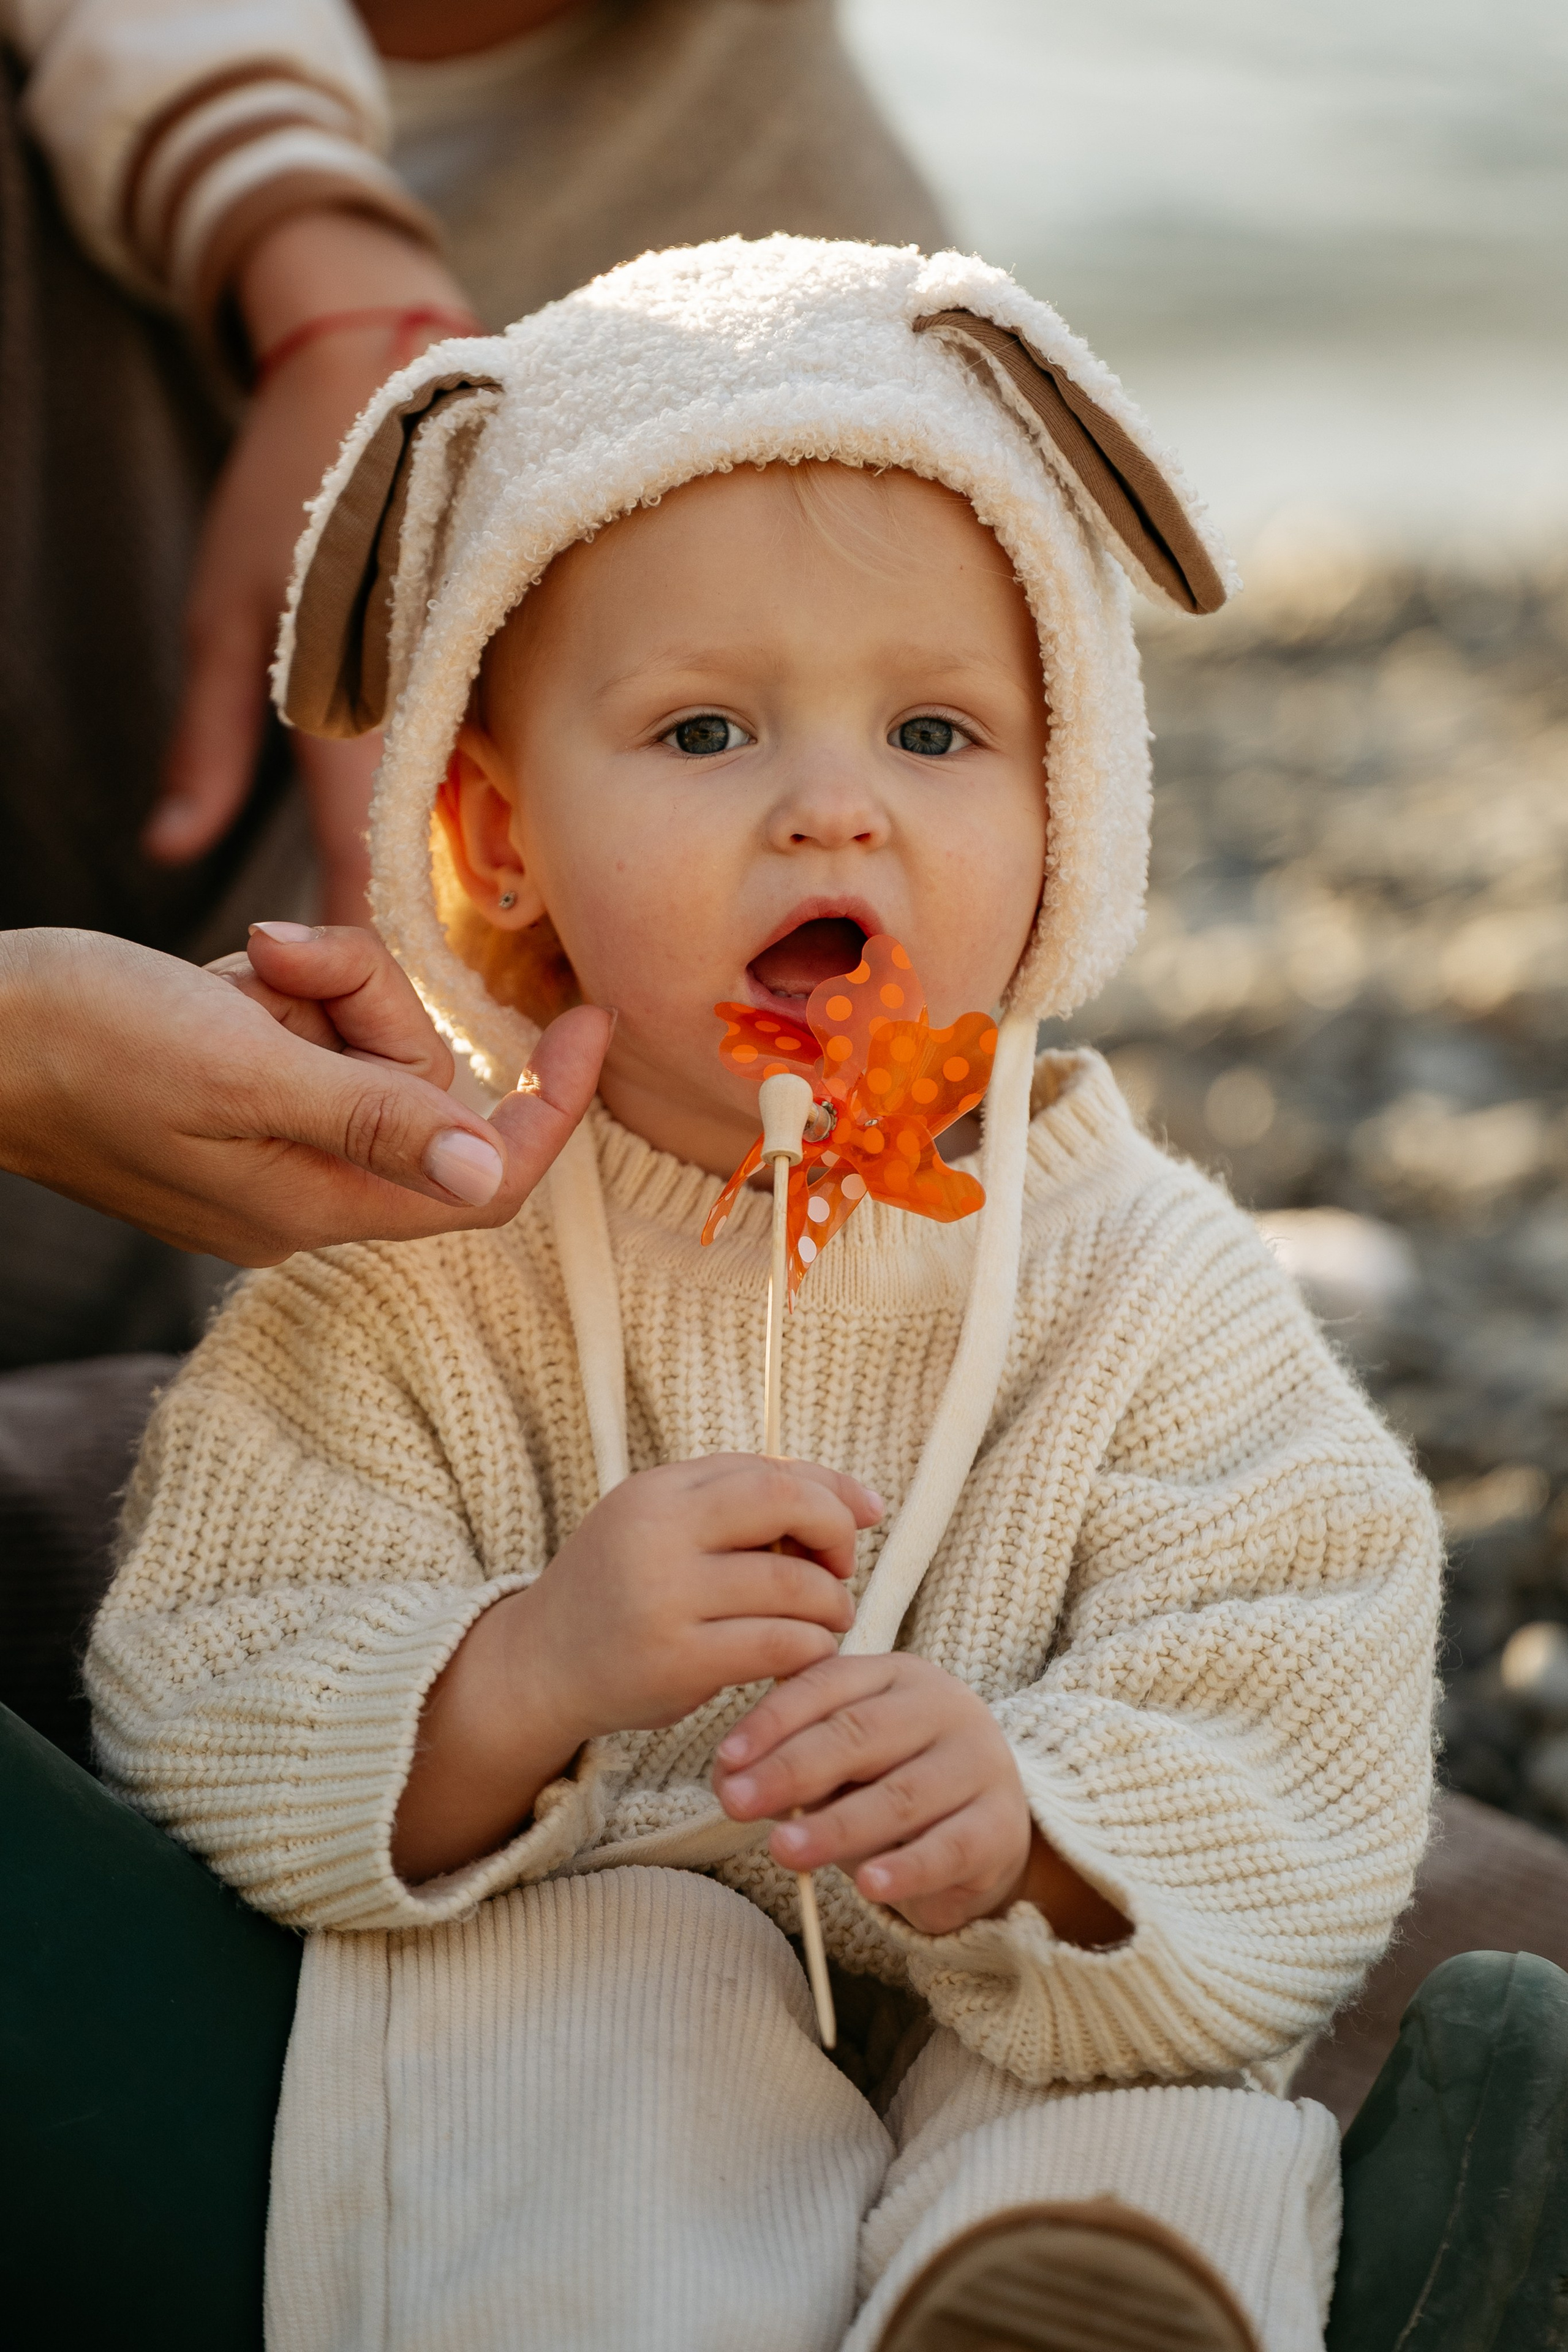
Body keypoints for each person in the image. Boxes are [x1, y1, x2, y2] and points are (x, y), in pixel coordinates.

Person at [65, 235, 1455, 2351]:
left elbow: (1301, 1671)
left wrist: (1041, 1829)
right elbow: (208, 1669)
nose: (836, 802)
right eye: (705, 728)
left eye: (936, 729)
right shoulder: (425, 1268)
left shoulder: (1148, 1282)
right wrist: (524, 1672)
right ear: (495, 839)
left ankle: (1042, 2297)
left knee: (1149, 2082)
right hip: (603, 2044)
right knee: (596, 1982)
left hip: (1035, 2018)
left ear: (1069, 798)